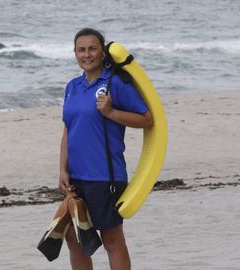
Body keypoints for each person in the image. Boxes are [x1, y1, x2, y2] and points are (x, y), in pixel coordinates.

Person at [59, 28, 153, 270]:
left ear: (103, 52)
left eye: (92, 48)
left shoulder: (115, 83)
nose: (87, 54)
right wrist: (62, 169)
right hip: (76, 178)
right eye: (81, 49)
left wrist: (112, 112)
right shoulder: (73, 86)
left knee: (112, 240)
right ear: (75, 53)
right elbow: (68, 130)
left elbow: (147, 119)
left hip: (105, 177)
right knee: (72, 236)